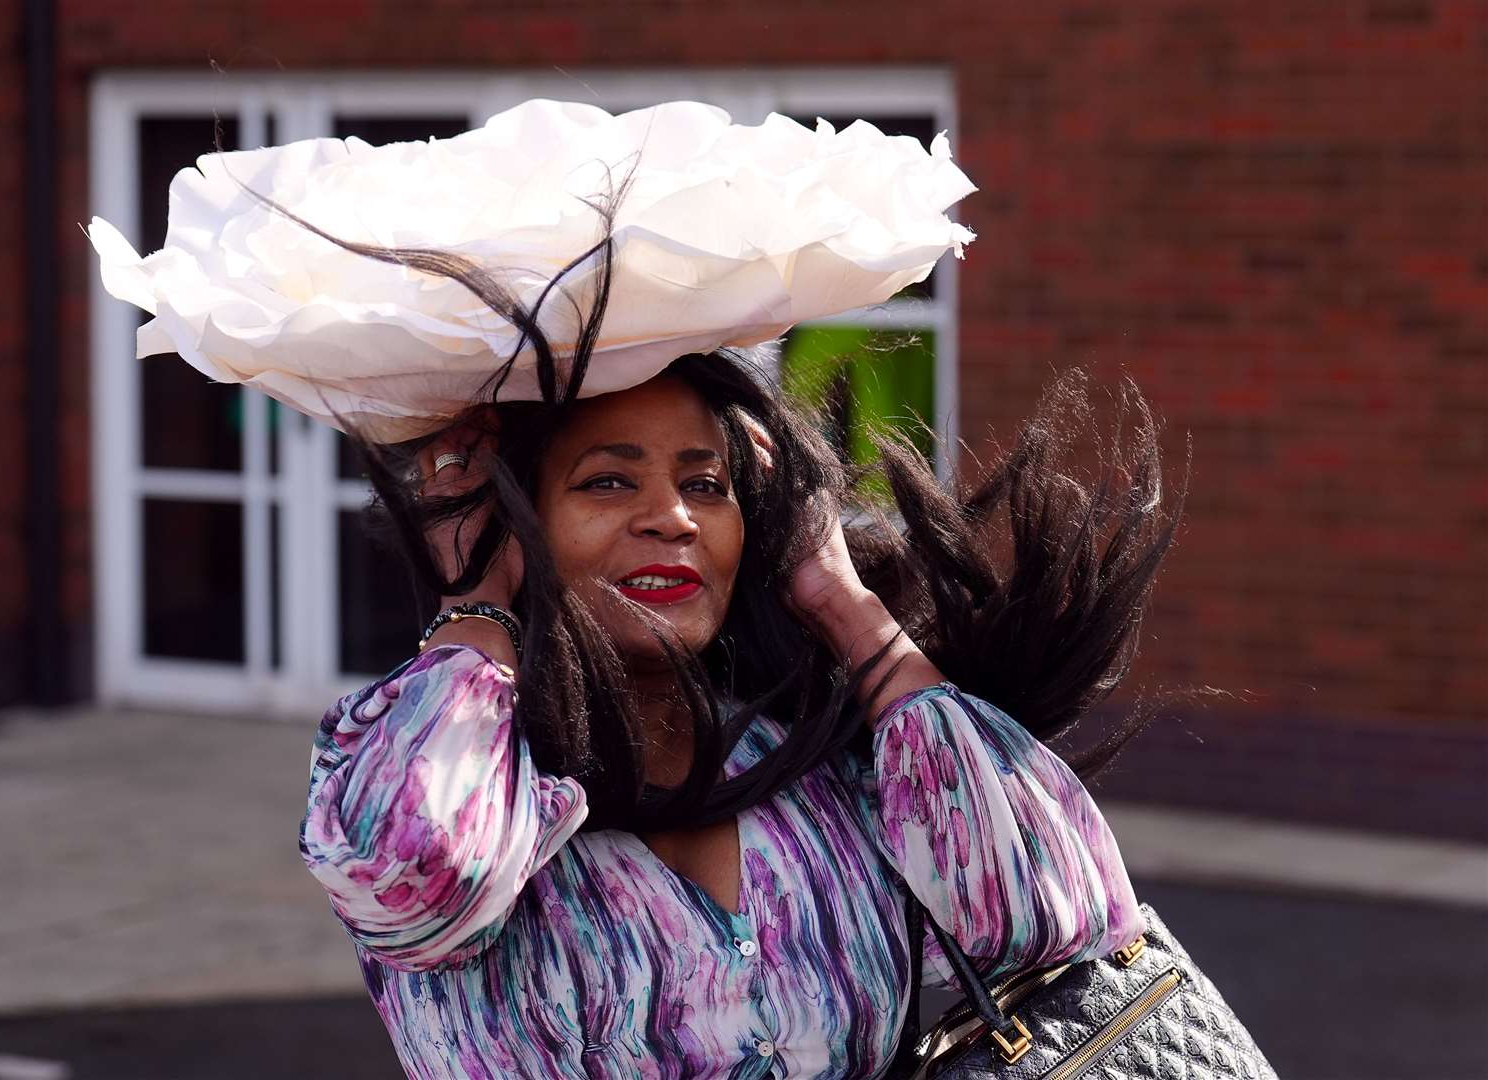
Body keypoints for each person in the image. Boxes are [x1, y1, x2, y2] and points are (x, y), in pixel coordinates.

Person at [89, 100, 1180, 1078]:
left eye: (706, 484)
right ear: (512, 516)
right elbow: (417, 876)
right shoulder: (441, 776)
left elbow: (1056, 914)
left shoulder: (815, 760)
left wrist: (842, 602)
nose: (673, 517)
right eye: (608, 480)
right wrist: (477, 597)